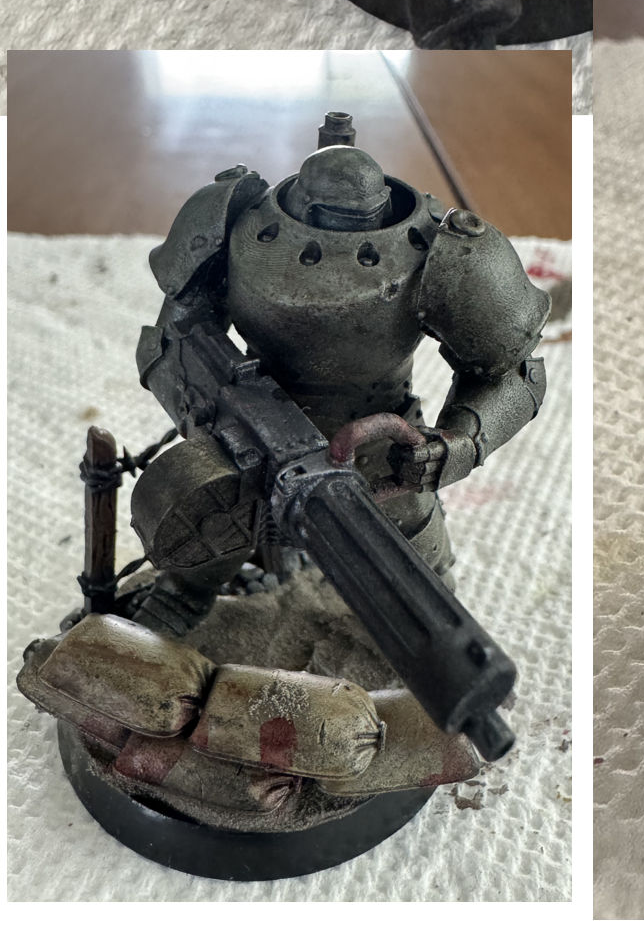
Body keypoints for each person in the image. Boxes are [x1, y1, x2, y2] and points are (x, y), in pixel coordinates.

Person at [133, 113, 550, 634]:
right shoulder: (233, 219)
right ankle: (181, 598)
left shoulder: (443, 253)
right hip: (241, 444)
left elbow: (514, 371)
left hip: (382, 462)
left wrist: (455, 445)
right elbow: (172, 332)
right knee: (197, 551)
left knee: (426, 599)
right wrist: (207, 411)